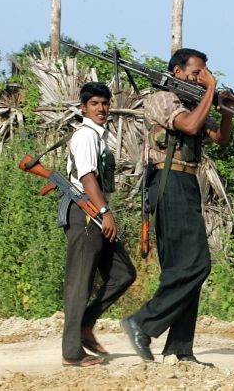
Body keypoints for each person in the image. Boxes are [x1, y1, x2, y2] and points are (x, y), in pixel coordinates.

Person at [121, 48, 233, 365]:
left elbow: (219, 137)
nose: (202, 78)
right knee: (196, 265)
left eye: (205, 73)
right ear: (177, 72)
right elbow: (188, 127)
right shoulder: (163, 99)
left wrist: (224, 109)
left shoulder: (194, 103)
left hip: (186, 185)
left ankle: (180, 348)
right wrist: (211, 91)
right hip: (168, 182)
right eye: (197, 73)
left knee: (185, 270)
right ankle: (141, 323)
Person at [62, 81, 137, 367]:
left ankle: (85, 324)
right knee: (80, 283)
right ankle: (71, 352)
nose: (102, 108)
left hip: (95, 214)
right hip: (85, 214)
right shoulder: (85, 136)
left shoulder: (99, 136)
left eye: (105, 103)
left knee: (123, 273)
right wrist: (105, 212)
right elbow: (87, 177)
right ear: (84, 108)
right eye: (95, 104)